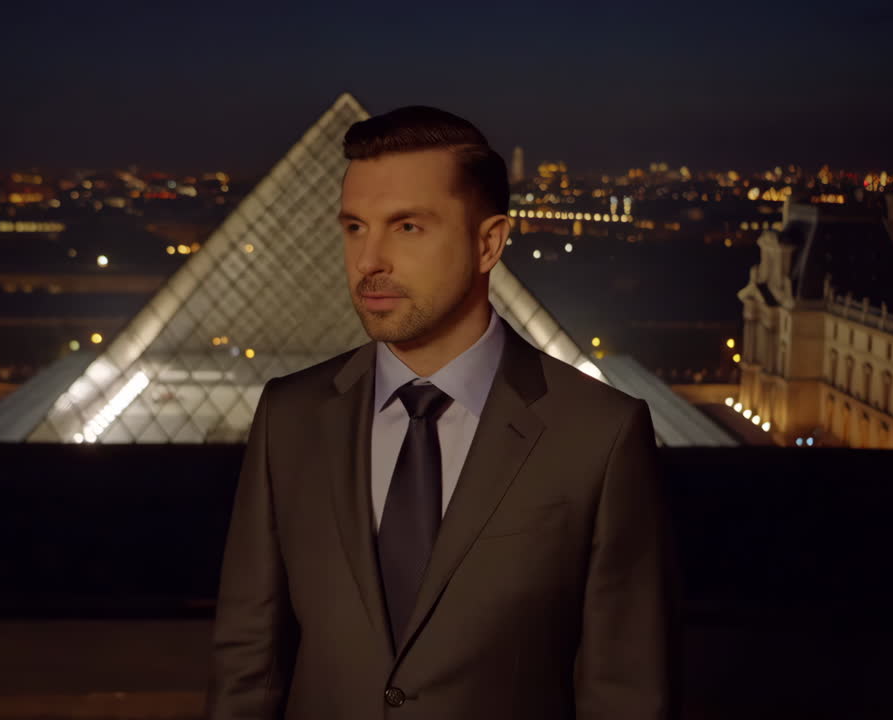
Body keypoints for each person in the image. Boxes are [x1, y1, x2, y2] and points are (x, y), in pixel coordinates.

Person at [207, 105, 679, 719]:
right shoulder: (288, 416)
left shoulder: (601, 434)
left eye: (407, 227)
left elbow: (628, 691)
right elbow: (248, 662)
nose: (368, 259)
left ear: (489, 243)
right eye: (354, 227)